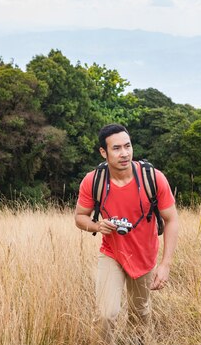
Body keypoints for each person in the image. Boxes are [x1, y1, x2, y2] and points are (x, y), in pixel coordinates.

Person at [75, 124, 179, 345]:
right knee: (105, 315)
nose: (124, 153)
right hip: (112, 252)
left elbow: (171, 219)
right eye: (116, 148)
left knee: (139, 313)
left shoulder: (153, 178)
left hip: (144, 255)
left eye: (127, 146)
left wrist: (166, 264)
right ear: (103, 152)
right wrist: (97, 226)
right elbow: (80, 217)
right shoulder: (93, 181)